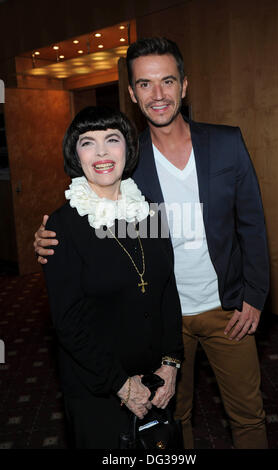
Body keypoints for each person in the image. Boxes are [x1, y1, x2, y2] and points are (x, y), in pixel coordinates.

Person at [34, 38, 270, 449]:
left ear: (184, 85)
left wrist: (256, 292)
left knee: (248, 415)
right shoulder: (129, 161)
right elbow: (98, 220)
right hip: (163, 315)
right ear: (131, 93)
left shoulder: (226, 142)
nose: (157, 95)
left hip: (227, 307)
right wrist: (50, 238)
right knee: (170, 419)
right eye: (145, 84)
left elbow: (251, 222)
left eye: (167, 81)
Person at [40, 105, 183, 449]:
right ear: (76, 154)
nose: (102, 152)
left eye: (112, 139)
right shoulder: (62, 225)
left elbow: (167, 292)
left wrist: (170, 364)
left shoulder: (148, 209)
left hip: (154, 381)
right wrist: (121, 384)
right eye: (88, 142)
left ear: (128, 148)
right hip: (98, 388)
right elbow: (68, 322)